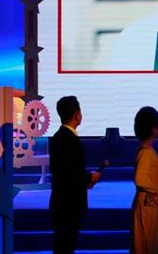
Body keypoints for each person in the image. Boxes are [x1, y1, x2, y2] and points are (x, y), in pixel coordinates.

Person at [49, 96, 101, 254]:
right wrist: (89, 177)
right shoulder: (70, 139)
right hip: (69, 205)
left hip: (61, 202)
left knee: (62, 245)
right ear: (77, 114)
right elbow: (70, 173)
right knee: (66, 245)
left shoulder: (58, 137)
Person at [131, 106, 158, 254]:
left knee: (152, 243)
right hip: (147, 204)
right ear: (152, 128)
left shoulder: (147, 150)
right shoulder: (146, 152)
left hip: (151, 202)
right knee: (148, 244)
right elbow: (140, 179)